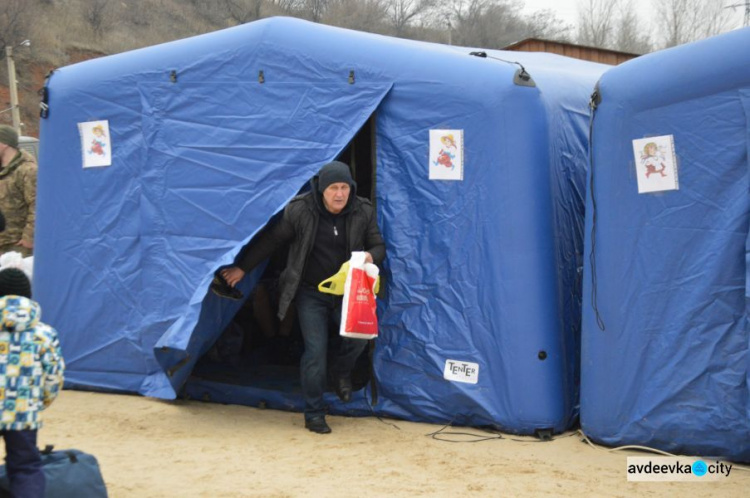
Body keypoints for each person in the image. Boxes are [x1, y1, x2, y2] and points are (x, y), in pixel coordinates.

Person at [220, 161, 385, 434]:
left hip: (348, 291)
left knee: (359, 339)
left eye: (345, 187)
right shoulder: (301, 209)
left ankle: (341, 371)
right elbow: (272, 241)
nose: (340, 194)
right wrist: (243, 268)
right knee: (315, 352)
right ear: (322, 189)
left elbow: (378, 245)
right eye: (334, 188)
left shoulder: (362, 210)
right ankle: (314, 412)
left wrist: (370, 255)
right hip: (311, 293)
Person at [0, 268, 65, 497]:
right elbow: (53, 377)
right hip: (23, 412)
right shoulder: (44, 333)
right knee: (26, 467)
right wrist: (38, 403)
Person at [0, 125, 37, 257]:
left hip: (17, 245)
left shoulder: (28, 170)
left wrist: (29, 237)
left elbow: (37, 205)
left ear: (4, 143)